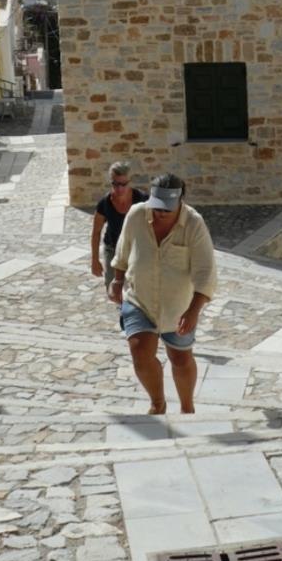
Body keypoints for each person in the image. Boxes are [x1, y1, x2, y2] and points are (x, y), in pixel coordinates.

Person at [109, 173, 216, 415]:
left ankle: (187, 407)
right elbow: (123, 250)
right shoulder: (137, 215)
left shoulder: (194, 224)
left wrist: (193, 311)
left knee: (180, 359)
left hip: (178, 306)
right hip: (140, 299)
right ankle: (158, 403)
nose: (161, 213)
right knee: (139, 352)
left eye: (167, 209)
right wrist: (116, 280)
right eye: (157, 208)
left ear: (181, 201)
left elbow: (205, 272)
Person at [91, 163, 148, 292]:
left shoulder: (142, 200)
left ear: (130, 182)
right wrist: (95, 260)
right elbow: (96, 232)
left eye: (123, 184)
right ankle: (122, 309)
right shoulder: (105, 203)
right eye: (115, 184)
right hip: (113, 249)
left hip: (136, 249)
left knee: (137, 288)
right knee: (112, 289)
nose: (120, 189)